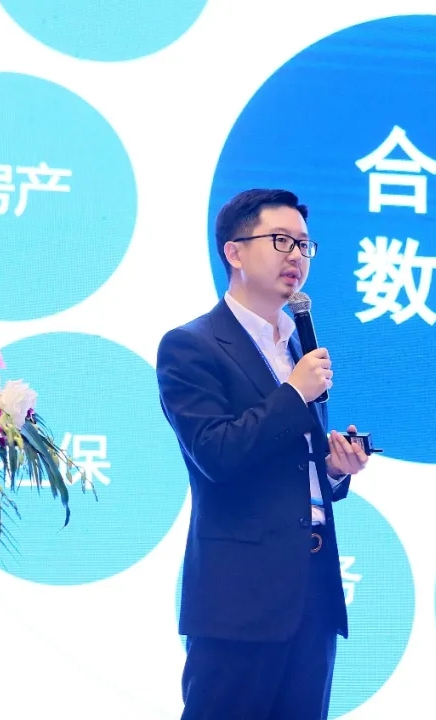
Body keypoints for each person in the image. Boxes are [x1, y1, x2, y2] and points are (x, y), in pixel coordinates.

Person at [156, 188, 371, 719]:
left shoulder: (299, 345)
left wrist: (333, 469)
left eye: (304, 244)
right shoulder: (191, 346)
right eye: (281, 240)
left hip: (312, 594)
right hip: (239, 599)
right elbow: (216, 453)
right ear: (233, 251)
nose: (296, 255)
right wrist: (294, 393)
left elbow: (288, 462)